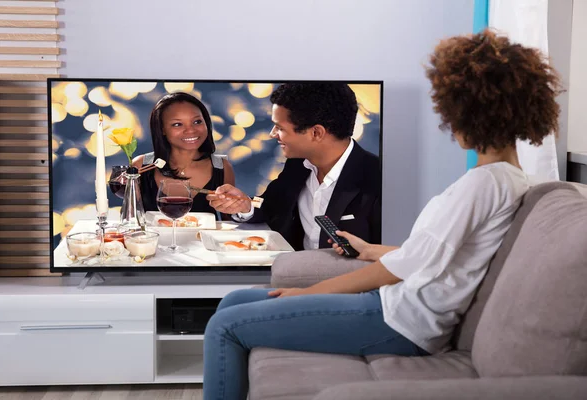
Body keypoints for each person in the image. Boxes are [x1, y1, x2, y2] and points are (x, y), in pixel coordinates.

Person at [202, 29, 562, 400]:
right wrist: (370, 249)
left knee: (225, 326)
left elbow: (403, 269)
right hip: (396, 304)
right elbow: (437, 257)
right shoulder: (509, 181)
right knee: (233, 303)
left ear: (467, 112)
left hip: (402, 321)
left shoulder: (483, 185)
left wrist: (304, 293)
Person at [207, 82, 382, 250]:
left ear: (316, 133)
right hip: (291, 271)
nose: (272, 134)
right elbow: (270, 204)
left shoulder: (377, 179)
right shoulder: (298, 164)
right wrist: (246, 205)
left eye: (279, 128)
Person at [132, 92, 236, 216]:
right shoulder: (141, 166)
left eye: (197, 122)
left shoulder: (222, 167)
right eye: (177, 124)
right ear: (162, 129)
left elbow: (229, 224)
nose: (191, 130)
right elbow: (130, 220)